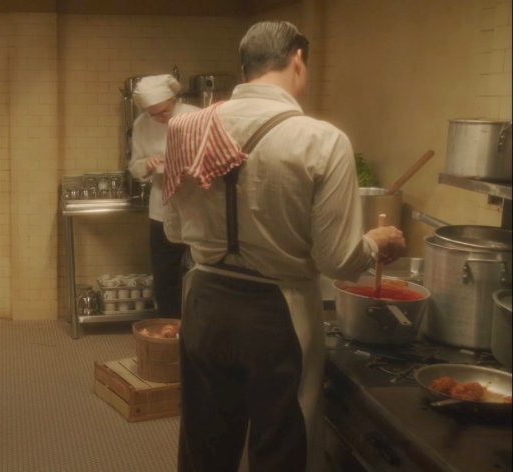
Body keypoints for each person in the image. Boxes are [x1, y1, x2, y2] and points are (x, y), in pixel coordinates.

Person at [163, 21, 406, 471]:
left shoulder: (186, 129)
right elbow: (337, 260)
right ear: (298, 60)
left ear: (244, 68)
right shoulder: (322, 140)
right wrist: (373, 243)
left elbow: (175, 231)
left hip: (203, 302)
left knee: (204, 445)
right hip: (279, 312)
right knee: (282, 448)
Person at [127, 74, 200, 317]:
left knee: (201, 271)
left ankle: (198, 326)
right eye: (153, 114)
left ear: (173, 99)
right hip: (161, 207)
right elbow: (135, 166)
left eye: (164, 111)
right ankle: (169, 325)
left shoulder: (195, 116)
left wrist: (187, 166)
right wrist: (147, 164)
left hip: (197, 206)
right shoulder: (141, 124)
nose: (160, 118)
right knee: (165, 275)